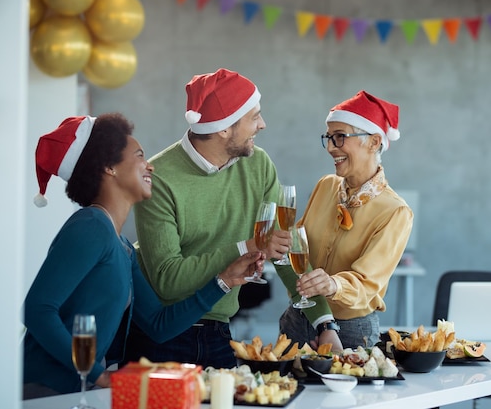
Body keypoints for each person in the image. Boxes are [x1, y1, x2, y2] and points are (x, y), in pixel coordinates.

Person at [23, 113, 264, 399]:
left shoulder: (122, 245)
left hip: (77, 393)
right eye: (139, 155)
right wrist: (98, 374)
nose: (149, 165)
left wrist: (224, 280)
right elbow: (37, 309)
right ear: (109, 166)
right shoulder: (90, 225)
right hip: (47, 392)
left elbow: (160, 325)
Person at [123, 69, 342, 369]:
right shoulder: (158, 177)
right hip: (161, 336)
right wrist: (245, 247)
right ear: (224, 129)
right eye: (254, 117)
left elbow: (285, 249)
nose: (262, 125)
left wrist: (324, 323)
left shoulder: (258, 165)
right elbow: (168, 281)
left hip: (219, 333)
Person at [276, 91, 413, 349]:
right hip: (299, 317)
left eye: (340, 137)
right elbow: (298, 250)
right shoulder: (326, 186)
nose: (330, 147)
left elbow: (367, 284)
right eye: (328, 138)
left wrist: (333, 284)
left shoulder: (395, 211)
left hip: (351, 332)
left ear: (374, 142)